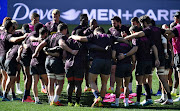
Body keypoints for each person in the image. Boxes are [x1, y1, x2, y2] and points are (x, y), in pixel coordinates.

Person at [69, 26, 129, 107]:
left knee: (91, 80)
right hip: (108, 61)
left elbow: (81, 39)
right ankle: (101, 101)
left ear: (96, 32)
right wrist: (127, 42)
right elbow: (121, 39)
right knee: (104, 83)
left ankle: (97, 97)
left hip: (97, 60)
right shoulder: (109, 36)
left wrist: (73, 36)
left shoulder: (94, 36)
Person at [124, 15, 173, 105]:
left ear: (144, 23)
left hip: (151, 57)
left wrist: (126, 38)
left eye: (142, 24)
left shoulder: (148, 30)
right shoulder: (158, 29)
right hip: (160, 55)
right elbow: (168, 32)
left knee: (143, 79)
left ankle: (145, 99)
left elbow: (138, 34)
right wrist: (173, 31)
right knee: (161, 78)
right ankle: (169, 98)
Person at [32, 23, 78, 106]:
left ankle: (51, 100)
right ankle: (56, 100)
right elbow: (61, 44)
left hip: (48, 61)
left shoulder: (50, 36)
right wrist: (71, 51)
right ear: (65, 30)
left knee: (51, 82)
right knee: (60, 82)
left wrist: (35, 53)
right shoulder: (61, 36)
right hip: (56, 61)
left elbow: (41, 44)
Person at [1, 20, 28, 101]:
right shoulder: (8, 36)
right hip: (7, 57)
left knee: (11, 77)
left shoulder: (2, 33)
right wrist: (24, 36)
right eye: (13, 27)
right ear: (10, 27)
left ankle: (12, 95)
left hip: (3, 56)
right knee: (10, 77)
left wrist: (21, 30)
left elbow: (14, 33)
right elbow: (14, 40)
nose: (14, 29)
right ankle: (5, 95)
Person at [17, 23, 44, 102]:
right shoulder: (35, 35)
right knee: (29, 77)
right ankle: (26, 97)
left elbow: (23, 43)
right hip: (26, 57)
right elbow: (30, 43)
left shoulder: (30, 34)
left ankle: (27, 95)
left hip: (24, 56)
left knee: (27, 77)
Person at [111, 34, 136, 107]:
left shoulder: (115, 46)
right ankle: (126, 103)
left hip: (120, 65)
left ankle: (116, 103)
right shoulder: (128, 46)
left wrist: (115, 60)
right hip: (128, 65)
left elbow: (113, 55)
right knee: (126, 85)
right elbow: (133, 58)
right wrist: (133, 65)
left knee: (118, 85)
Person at [107, 16, 130, 93]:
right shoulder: (110, 30)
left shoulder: (126, 29)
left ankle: (126, 88)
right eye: (112, 23)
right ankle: (112, 87)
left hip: (124, 52)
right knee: (113, 70)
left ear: (119, 23)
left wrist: (126, 37)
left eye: (114, 23)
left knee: (124, 70)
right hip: (114, 52)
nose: (113, 25)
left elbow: (131, 40)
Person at [166, 11, 180, 102]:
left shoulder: (177, 27)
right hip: (176, 53)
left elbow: (168, 36)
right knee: (176, 75)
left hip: (179, 53)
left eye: (175, 17)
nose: (174, 18)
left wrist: (163, 29)